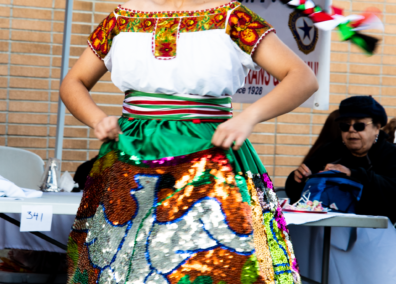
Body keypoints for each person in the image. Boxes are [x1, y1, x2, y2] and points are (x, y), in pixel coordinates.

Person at [60, 1, 318, 283]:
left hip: (211, 153)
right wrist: (97, 119)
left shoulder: (232, 15)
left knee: (216, 264)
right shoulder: (123, 17)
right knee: (124, 267)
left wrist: (249, 117)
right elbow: (74, 81)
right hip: (134, 155)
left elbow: (302, 77)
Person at [285, 96, 396, 223]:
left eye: (359, 125)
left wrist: (352, 175)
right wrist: (297, 178)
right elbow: (295, 193)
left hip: (377, 232)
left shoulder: (390, 154)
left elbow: (392, 191)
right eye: (345, 125)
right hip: (329, 231)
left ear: (377, 127)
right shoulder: (331, 151)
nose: (351, 130)